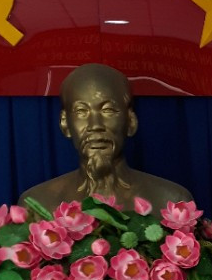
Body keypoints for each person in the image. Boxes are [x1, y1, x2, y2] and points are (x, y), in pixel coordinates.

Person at [18, 63, 192, 211]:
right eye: (81, 111)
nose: (95, 125)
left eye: (108, 110)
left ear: (131, 121)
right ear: (65, 123)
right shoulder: (37, 204)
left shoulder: (172, 201)